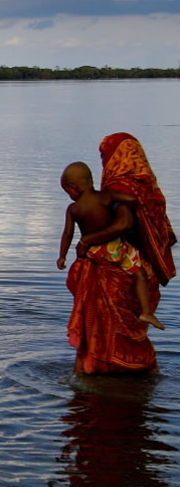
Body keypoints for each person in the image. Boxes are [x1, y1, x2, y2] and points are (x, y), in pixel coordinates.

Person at [64, 133, 176, 374]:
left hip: (114, 266)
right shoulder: (145, 188)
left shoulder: (118, 186)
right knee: (123, 329)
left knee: (100, 326)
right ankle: (128, 373)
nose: (104, 162)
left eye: (105, 156)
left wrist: (87, 241)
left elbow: (124, 223)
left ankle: (95, 371)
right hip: (136, 266)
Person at [57, 161, 163, 330]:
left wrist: (62, 256)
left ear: (73, 187)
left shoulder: (73, 209)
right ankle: (145, 311)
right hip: (115, 249)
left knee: (88, 281)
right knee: (139, 273)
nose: (69, 195)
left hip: (93, 252)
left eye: (67, 191)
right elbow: (131, 199)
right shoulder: (106, 197)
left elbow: (67, 234)